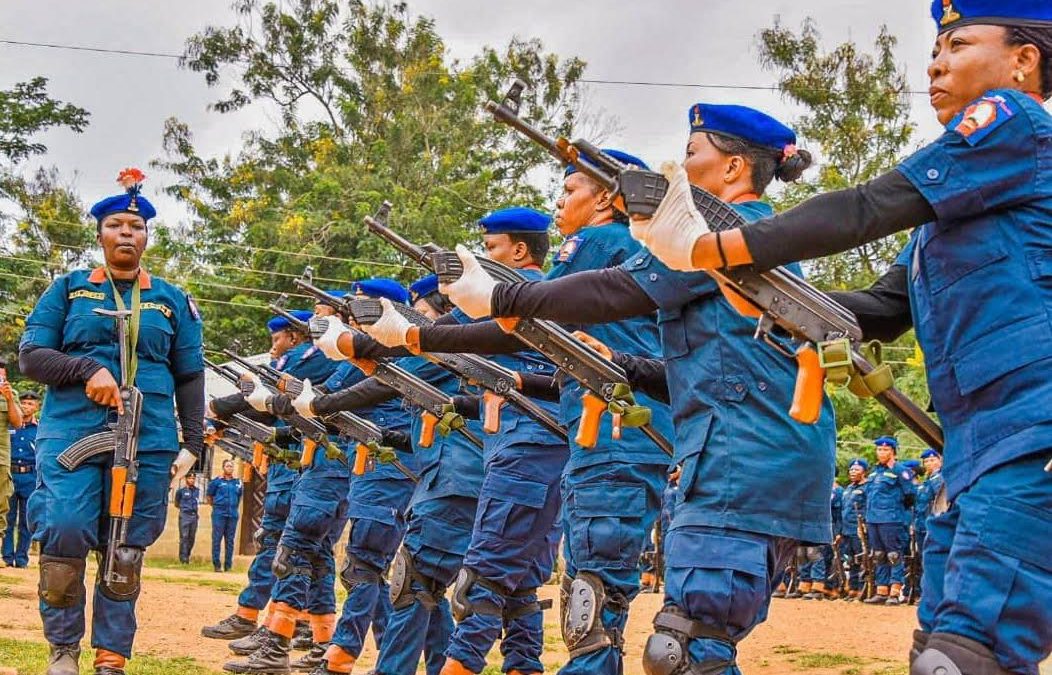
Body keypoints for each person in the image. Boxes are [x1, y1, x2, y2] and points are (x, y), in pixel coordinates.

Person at [632, 3, 1052, 670]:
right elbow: (879, 309)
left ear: (1024, 60)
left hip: (1031, 435)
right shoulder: (958, 207)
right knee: (945, 653)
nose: (936, 61)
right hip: (982, 451)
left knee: (965, 659)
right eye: (935, 47)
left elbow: (864, 207)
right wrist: (763, 292)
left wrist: (716, 246)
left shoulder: (1014, 125)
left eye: (959, 42)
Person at [436, 109, 835, 673]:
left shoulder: (720, 241)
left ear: (735, 166)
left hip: (731, 453)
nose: (681, 164)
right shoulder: (725, 242)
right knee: (676, 639)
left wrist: (442, 323)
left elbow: (608, 291)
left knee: (673, 640)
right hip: (724, 450)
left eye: (693, 152)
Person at [349, 147, 676, 675]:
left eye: (572, 190)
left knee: (577, 599)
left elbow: (519, 325)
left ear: (608, 197)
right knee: (570, 596)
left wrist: (417, 334)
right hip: (597, 430)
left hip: (605, 434)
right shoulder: (618, 247)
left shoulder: (598, 241)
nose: (560, 200)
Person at [19, 168, 203, 675]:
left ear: (147, 237)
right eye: (118, 225)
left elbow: (190, 376)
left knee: (125, 549)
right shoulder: (69, 290)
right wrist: (85, 369)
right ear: (100, 234)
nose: (127, 233)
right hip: (71, 432)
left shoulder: (170, 299)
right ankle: (62, 649)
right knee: (64, 527)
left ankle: (111, 656)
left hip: (147, 438)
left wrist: (195, 442)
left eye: (136, 227)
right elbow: (31, 356)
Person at [200, 311, 313, 648]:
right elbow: (261, 403)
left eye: (277, 339)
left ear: (293, 337)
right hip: (284, 461)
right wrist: (224, 419)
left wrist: (220, 409)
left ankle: (268, 619)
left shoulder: (304, 364)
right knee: (284, 544)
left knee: (289, 546)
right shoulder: (296, 362)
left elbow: (265, 402)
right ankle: (280, 620)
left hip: (296, 463)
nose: (273, 346)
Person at [861, 437, 915, 606]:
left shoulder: (901, 470)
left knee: (893, 555)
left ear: (893, 451)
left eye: (885, 450)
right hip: (873, 519)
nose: (881, 452)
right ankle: (881, 590)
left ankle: (895, 591)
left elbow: (911, 495)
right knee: (878, 555)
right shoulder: (874, 472)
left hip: (891, 519)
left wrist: (896, 512)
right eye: (879, 449)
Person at [3, 390, 36, 568]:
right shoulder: (9, 426)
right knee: (8, 518)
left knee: (26, 520)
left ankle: (22, 558)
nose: (26, 406)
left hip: (30, 477)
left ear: (36, 407)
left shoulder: (39, 429)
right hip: (11, 474)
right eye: (23, 403)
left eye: (30, 404)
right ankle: (7, 557)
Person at [0, 361, 25, 562]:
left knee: (1, 506)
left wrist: (8, 399)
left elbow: (17, 423)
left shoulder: (11, 395)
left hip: (1, 459)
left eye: (3, 377)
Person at [840, 459, 869, 601]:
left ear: (864, 472)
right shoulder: (848, 489)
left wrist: (864, 525)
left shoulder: (867, 488)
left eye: (856, 470)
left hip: (858, 530)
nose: (853, 472)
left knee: (862, 560)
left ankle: (862, 588)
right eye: (851, 470)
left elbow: (868, 508)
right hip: (846, 530)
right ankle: (852, 588)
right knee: (850, 561)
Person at [209, 459, 243, 573]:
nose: (230, 468)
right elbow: (210, 496)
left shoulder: (237, 483)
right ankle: (217, 565)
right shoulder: (217, 482)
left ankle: (228, 566)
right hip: (219, 514)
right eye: (227, 466)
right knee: (217, 539)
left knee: (230, 541)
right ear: (223, 467)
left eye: (231, 466)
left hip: (232, 514)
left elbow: (239, 498)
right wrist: (217, 507)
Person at [174, 473, 201, 565]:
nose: (192, 480)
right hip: (185, 515)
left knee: (191, 538)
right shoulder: (181, 491)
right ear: (186, 479)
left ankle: (187, 555)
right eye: (190, 478)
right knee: (184, 537)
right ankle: (183, 558)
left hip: (194, 516)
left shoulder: (197, 490)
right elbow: (176, 503)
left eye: (193, 478)